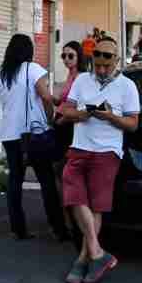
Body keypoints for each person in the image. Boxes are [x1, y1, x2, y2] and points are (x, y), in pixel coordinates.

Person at [56, 36, 140, 283]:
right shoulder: (82, 80)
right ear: (93, 59)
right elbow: (65, 111)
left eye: (107, 64)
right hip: (79, 147)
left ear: (116, 60)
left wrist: (111, 117)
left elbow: (133, 124)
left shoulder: (127, 86)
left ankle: (84, 259)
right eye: (98, 63)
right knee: (73, 196)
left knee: (96, 206)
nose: (102, 69)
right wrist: (83, 114)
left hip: (107, 152)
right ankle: (98, 253)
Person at [0, 34, 70, 243]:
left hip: (10, 135)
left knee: (14, 180)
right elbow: (45, 97)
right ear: (28, 51)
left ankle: (18, 229)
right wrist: (50, 117)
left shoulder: (2, 74)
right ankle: (58, 229)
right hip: (34, 134)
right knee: (46, 180)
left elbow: (0, 95)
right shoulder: (33, 69)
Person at [51, 41, 86, 245]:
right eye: (63, 56)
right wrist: (53, 101)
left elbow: (80, 108)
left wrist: (62, 118)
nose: (66, 60)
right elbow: (66, 102)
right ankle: (68, 223)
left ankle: (73, 224)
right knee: (60, 175)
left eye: (70, 56)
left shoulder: (81, 78)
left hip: (68, 128)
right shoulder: (70, 76)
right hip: (61, 125)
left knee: (65, 175)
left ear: (79, 56)